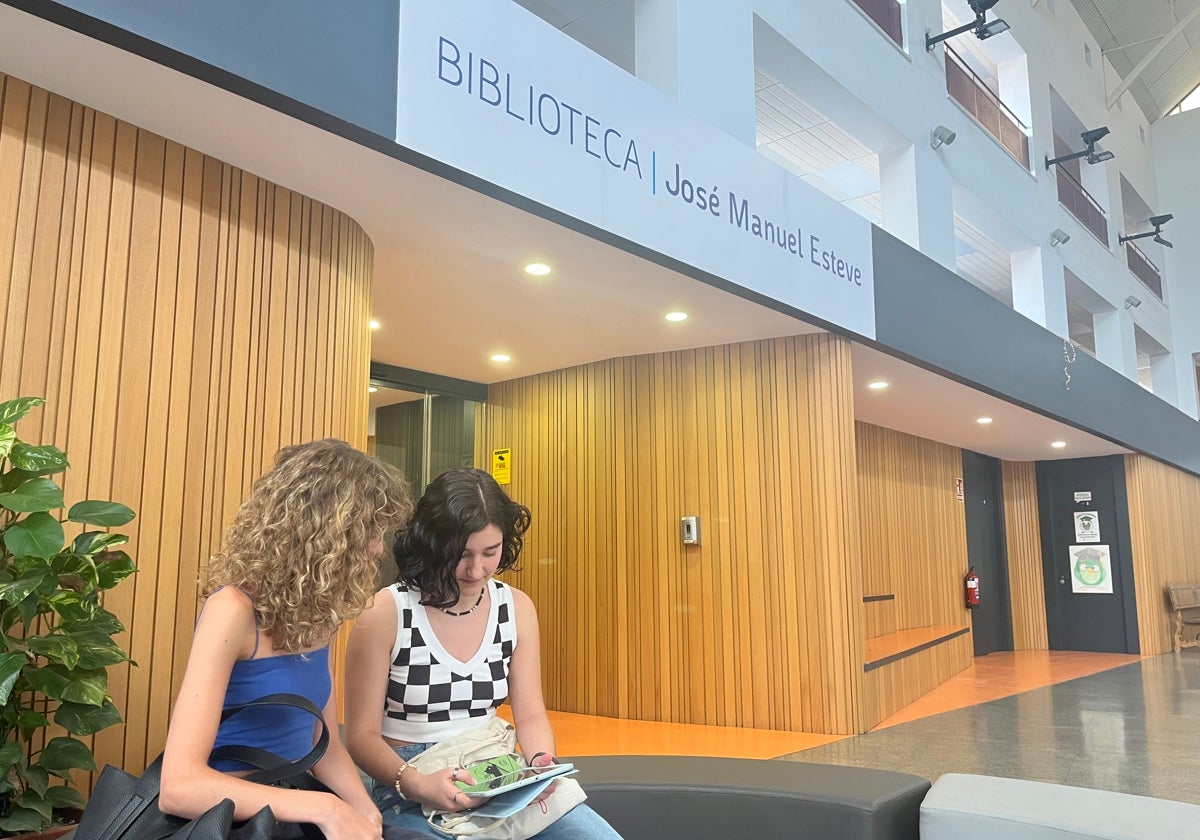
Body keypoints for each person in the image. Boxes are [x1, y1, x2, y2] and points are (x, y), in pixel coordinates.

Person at [160, 439, 418, 840]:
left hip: (296, 804)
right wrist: (327, 808)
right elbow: (178, 788)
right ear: (328, 531)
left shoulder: (320, 613)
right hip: (234, 820)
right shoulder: (231, 610)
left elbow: (324, 743)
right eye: (370, 531)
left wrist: (365, 812)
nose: (378, 548)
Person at [344, 468, 622, 839]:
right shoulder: (385, 612)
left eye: (490, 553)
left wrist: (540, 762)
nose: (476, 570)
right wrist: (417, 783)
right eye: (460, 555)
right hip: (411, 777)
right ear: (431, 544)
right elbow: (361, 736)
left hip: (497, 768)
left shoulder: (516, 607)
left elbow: (532, 712)